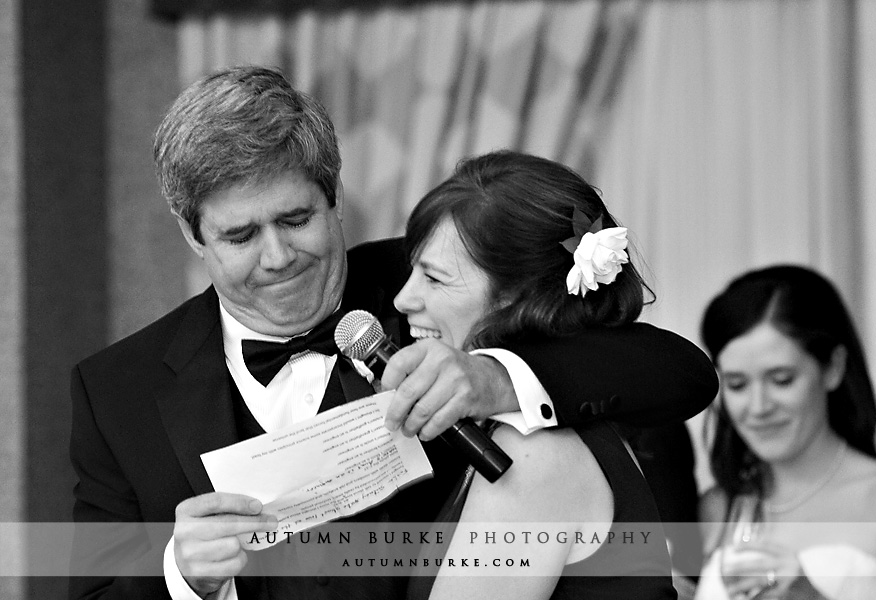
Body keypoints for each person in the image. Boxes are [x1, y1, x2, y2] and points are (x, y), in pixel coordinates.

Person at [68, 66, 717, 600]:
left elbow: (672, 370)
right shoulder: (116, 391)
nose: (276, 257)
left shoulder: (440, 290)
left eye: (295, 220)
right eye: (240, 235)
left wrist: (496, 379)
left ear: (335, 196)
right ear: (191, 233)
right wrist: (181, 578)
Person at [395, 150, 678, 599]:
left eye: (434, 279)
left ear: (516, 297)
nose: (402, 299)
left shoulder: (534, 453)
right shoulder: (535, 428)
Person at [694, 265, 876, 600]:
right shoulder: (716, 509)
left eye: (781, 380)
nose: (758, 407)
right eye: (737, 384)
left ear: (832, 368)